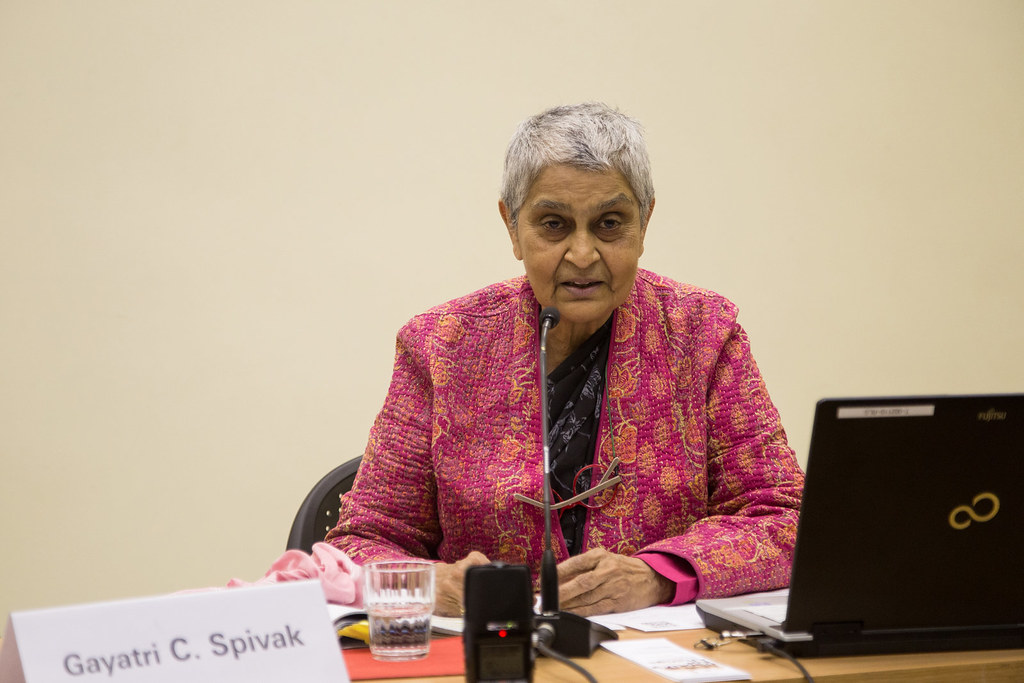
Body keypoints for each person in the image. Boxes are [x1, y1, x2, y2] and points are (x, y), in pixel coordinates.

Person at [326, 102, 804, 618]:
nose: (581, 254)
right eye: (554, 225)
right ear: (513, 227)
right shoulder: (440, 346)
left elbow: (785, 518)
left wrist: (658, 575)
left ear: (644, 224)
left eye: (609, 224)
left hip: (660, 654)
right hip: (495, 653)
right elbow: (360, 540)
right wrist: (427, 584)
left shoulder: (703, 333)